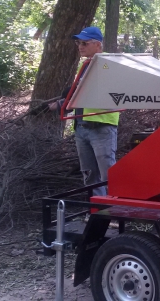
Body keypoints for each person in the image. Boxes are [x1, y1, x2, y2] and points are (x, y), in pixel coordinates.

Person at [48, 26, 119, 196]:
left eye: (85, 43)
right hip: (82, 125)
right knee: (89, 175)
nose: (80, 46)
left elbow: (97, 90)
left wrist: (64, 102)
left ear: (98, 45)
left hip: (101, 125)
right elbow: (80, 92)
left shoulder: (107, 65)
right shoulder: (87, 65)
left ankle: (116, 212)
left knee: (108, 174)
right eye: (78, 43)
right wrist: (62, 102)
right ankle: (98, 213)